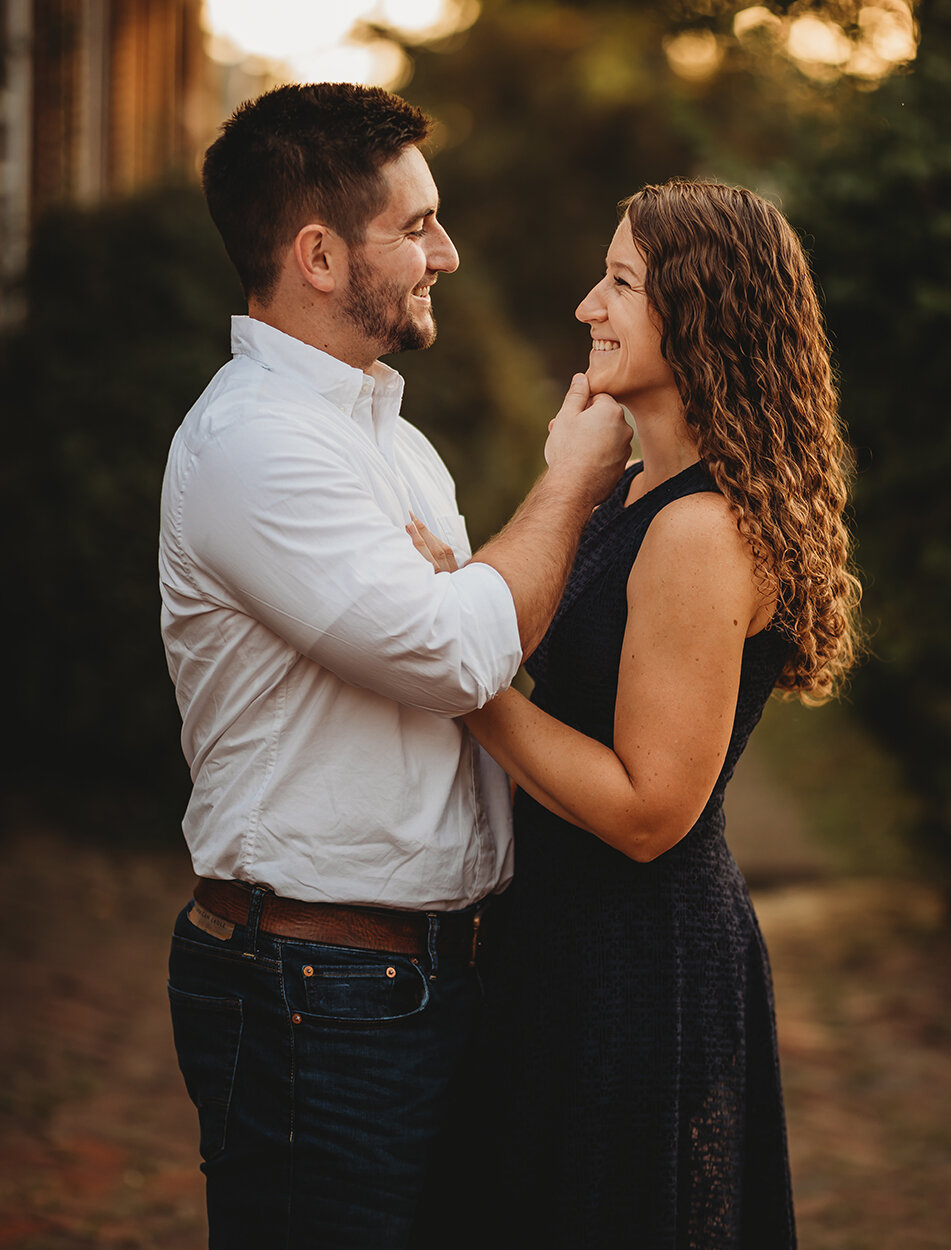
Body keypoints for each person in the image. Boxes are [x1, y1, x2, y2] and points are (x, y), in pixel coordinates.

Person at [158, 82, 632, 1250]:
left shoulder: (392, 441)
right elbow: (467, 647)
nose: (447, 253)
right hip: (312, 992)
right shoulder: (256, 444)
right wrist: (571, 477)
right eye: (416, 225)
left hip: (415, 982)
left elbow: (472, 638)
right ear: (318, 255)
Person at [412, 178, 861, 1247]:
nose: (587, 306)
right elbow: (526, 639)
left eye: (618, 282)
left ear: (698, 311)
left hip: (632, 961)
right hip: (556, 939)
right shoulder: (624, 493)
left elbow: (648, 806)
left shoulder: (700, 531)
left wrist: (466, 685)